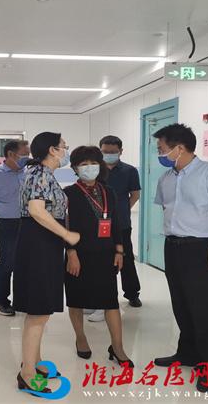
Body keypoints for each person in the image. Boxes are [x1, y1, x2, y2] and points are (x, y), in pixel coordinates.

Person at [152, 124, 208, 393]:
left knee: (203, 309)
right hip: (173, 246)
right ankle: (187, 353)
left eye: (162, 149)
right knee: (181, 304)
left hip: (202, 248)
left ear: (180, 148)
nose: (160, 154)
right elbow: (167, 209)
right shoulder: (166, 178)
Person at [13, 132, 80, 396]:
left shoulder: (42, 173)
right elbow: (36, 210)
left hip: (44, 244)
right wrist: (67, 235)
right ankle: (27, 374)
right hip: (38, 244)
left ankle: (34, 361)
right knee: (39, 311)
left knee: (39, 309)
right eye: (64, 146)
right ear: (52, 150)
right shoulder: (39, 173)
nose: (65, 151)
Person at [64, 146, 133, 367]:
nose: (89, 167)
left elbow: (116, 222)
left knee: (110, 300)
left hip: (106, 253)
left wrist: (119, 250)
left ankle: (118, 347)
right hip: (79, 254)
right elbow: (66, 226)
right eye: (83, 164)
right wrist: (71, 252)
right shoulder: (69, 193)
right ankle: (80, 338)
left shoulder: (108, 191)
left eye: (93, 163)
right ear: (75, 168)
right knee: (76, 298)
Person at [0, 140, 30, 316]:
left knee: (26, 263)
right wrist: (3, 208)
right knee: (8, 262)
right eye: (24, 154)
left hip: (29, 223)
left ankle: (23, 300)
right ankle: (1, 301)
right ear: (10, 154)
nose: (27, 157)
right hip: (8, 224)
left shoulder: (28, 173)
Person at [100, 136, 142, 311]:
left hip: (122, 224)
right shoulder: (95, 170)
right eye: (105, 152)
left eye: (113, 152)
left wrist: (122, 210)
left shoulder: (129, 171)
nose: (109, 154)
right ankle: (103, 295)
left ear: (120, 151)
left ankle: (132, 294)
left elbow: (135, 195)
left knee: (126, 259)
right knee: (102, 260)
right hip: (100, 224)